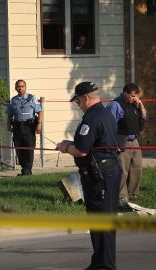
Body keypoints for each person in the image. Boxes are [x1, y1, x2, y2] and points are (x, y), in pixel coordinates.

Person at [56, 82, 120, 270]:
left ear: (85, 98)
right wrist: (70, 143)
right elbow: (90, 143)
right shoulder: (105, 113)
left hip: (99, 176)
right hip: (105, 172)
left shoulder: (91, 118)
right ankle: (100, 263)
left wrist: (65, 147)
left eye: (77, 100)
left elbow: (82, 150)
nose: (77, 104)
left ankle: (105, 266)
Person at [106, 83, 147, 209]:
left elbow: (144, 117)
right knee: (123, 170)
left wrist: (140, 105)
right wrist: (113, 143)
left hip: (134, 140)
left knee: (137, 167)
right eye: (131, 96)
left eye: (135, 96)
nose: (133, 98)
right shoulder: (115, 105)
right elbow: (109, 125)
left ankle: (133, 194)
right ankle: (120, 197)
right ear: (125, 93)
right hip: (122, 140)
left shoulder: (134, 104)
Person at [7, 80, 43, 175]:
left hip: (28, 126)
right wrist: (8, 124)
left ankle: (28, 170)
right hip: (17, 126)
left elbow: (39, 112)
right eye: (18, 86)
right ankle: (24, 170)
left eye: (22, 86)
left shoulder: (32, 98)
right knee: (19, 148)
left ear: (25, 87)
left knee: (29, 148)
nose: (20, 88)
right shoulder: (13, 100)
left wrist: (39, 124)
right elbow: (10, 115)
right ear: (16, 88)